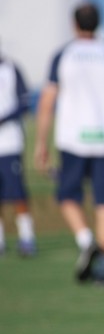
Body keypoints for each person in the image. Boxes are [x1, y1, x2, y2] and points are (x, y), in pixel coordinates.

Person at [34, 1, 104, 285]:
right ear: (98, 23)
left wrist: (40, 142)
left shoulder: (64, 55)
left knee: (67, 196)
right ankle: (101, 269)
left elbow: (47, 101)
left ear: (74, 24)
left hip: (73, 139)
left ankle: (85, 239)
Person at [0, 52, 36, 257]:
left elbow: (24, 103)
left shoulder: (11, 69)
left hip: (9, 142)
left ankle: (27, 237)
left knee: (17, 192)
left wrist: (3, 119)